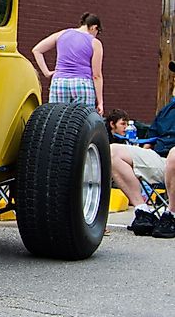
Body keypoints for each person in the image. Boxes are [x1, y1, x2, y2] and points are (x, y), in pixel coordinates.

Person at [110, 87, 175, 238]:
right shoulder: (167, 110)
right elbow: (151, 140)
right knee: (113, 151)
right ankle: (143, 212)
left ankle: (171, 214)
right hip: (161, 160)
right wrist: (142, 153)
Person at [31, 12, 104, 115]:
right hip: (82, 84)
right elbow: (96, 75)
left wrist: (46, 73)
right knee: (81, 122)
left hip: (59, 83)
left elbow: (37, 50)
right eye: (98, 31)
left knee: (56, 119)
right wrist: (100, 102)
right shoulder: (94, 42)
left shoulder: (61, 34)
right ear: (94, 27)